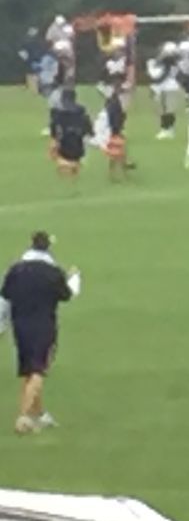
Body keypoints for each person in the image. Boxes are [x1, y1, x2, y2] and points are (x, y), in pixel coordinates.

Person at [1, 232, 80, 435]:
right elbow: (67, 295)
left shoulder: (15, 270)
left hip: (20, 326)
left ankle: (39, 415)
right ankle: (23, 417)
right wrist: (74, 277)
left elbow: (4, 297)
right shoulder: (52, 272)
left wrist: (2, 325)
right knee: (38, 371)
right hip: (43, 326)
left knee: (29, 371)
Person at [48, 88, 91, 186]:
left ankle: (66, 165)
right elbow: (89, 132)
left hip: (64, 150)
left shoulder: (58, 114)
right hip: (80, 150)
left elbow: (53, 131)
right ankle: (74, 166)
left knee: (54, 145)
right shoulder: (83, 114)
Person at [147, 42, 182, 139]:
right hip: (164, 86)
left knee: (168, 109)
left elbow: (160, 76)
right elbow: (155, 75)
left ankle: (167, 129)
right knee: (163, 109)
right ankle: (167, 129)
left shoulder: (170, 63)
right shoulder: (159, 62)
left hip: (169, 86)